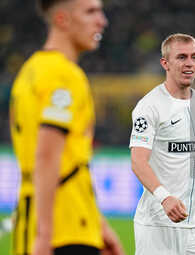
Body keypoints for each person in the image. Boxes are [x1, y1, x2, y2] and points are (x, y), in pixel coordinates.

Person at [9, 0, 124, 255]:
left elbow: (70, 162)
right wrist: (45, 235)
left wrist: (100, 225)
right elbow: (47, 155)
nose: (102, 21)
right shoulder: (64, 76)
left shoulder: (31, 70)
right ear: (62, 19)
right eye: (91, 11)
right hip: (65, 230)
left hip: (39, 220)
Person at [129, 33, 195, 255]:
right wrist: (164, 197)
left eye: (194, 57)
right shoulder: (149, 106)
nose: (189, 63)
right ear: (165, 63)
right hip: (157, 226)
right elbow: (138, 162)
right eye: (181, 57)